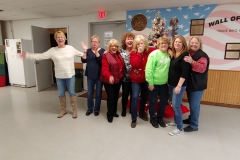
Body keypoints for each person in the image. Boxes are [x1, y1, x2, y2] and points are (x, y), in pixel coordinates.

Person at [21, 31, 84, 119]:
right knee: (61, 94)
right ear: (55, 39)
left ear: (65, 38)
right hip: (59, 76)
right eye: (58, 37)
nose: (60, 38)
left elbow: (83, 56)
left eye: (61, 37)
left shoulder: (70, 48)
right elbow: (40, 56)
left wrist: (86, 50)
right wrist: (27, 55)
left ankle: (74, 110)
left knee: (72, 93)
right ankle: (63, 110)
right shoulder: (52, 50)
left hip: (70, 76)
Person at [183, 36, 209, 132]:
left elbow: (202, 68)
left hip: (197, 85)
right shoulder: (190, 53)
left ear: (199, 44)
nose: (193, 44)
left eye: (196, 43)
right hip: (191, 84)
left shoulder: (202, 55)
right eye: (192, 42)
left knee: (194, 105)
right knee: (192, 103)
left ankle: (194, 125)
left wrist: (192, 62)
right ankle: (191, 119)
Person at [129, 35, 156, 128]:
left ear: (145, 44)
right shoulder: (133, 53)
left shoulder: (149, 51)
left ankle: (141, 113)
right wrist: (139, 53)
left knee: (144, 97)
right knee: (135, 97)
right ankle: (133, 119)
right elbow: (135, 64)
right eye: (138, 44)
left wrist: (168, 50)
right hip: (136, 80)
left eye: (142, 43)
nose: (140, 45)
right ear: (135, 45)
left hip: (146, 79)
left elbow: (160, 47)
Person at [145, 36, 171, 128]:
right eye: (162, 43)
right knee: (153, 101)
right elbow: (149, 70)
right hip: (154, 83)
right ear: (158, 45)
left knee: (164, 101)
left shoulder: (169, 54)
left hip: (164, 83)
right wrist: (150, 83)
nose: (164, 45)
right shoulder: (154, 54)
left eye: (166, 43)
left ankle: (160, 117)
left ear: (168, 45)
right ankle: (152, 118)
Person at [167, 36, 190, 136]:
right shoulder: (174, 54)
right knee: (174, 104)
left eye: (179, 42)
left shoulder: (185, 55)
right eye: (176, 42)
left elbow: (185, 71)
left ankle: (180, 128)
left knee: (176, 106)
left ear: (183, 44)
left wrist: (179, 86)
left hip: (178, 85)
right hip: (171, 84)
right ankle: (176, 122)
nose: (177, 43)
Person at [100, 39, 124, 123]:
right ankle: (109, 114)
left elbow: (121, 67)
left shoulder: (119, 55)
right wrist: (109, 76)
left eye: (115, 46)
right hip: (108, 80)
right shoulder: (105, 55)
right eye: (112, 46)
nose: (114, 47)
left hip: (118, 80)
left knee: (116, 96)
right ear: (109, 47)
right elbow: (104, 69)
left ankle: (114, 112)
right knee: (111, 97)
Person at [81, 35, 105, 116]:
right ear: (91, 42)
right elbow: (83, 60)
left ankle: (96, 109)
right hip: (90, 75)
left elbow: (101, 61)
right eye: (93, 41)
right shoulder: (87, 51)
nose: (94, 43)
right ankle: (90, 109)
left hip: (99, 76)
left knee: (98, 93)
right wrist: (84, 50)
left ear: (99, 43)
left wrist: (96, 51)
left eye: (96, 41)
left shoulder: (102, 51)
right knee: (90, 93)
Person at [119, 32, 135, 117]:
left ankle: (132, 109)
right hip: (125, 78)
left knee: (133, 94)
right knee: (125, 94)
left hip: (134, 78)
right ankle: (123, 109)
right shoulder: (120, 50)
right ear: (124, 41)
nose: (129, 41)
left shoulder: (136, 50)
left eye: (131, 39)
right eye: (128, 39)